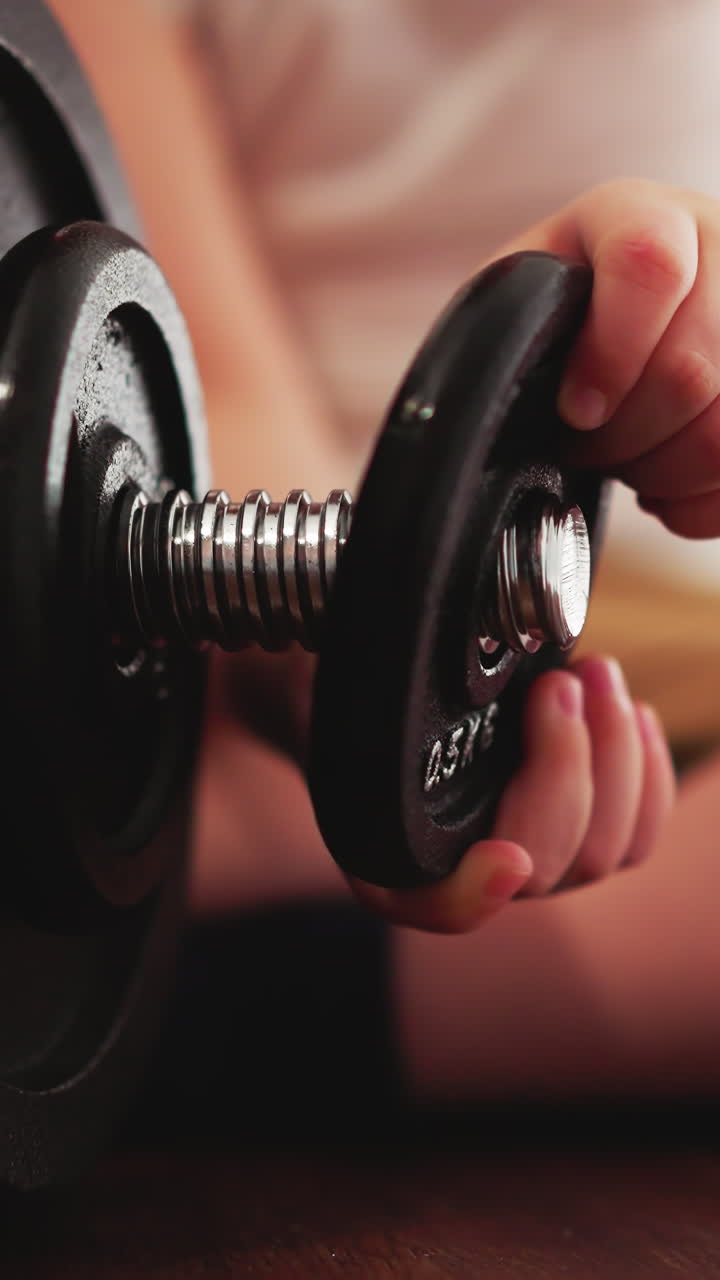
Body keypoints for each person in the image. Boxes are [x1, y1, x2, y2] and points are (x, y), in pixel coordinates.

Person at [49, 0, 720, 1105]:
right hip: (282, 529)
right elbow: (200, 391)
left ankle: (224, 923)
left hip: (623, 612)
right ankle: (244, 922)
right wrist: (369, 685)